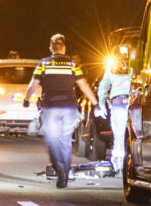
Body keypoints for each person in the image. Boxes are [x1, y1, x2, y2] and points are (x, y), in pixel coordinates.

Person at [22, 33, 97, 188]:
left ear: (51, 48)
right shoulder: (72, 65)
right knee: (66, 140)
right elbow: (84, 86)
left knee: (53, 140)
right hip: (69, 107)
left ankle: (60, 168)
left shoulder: (44, 64)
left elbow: (32, 85)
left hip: (50, 107)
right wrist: (95, 103)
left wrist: (26, 99)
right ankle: (66, 169)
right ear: (64, 49)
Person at [97, 45, 132, 173]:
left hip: (118, 103)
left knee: (119, 135)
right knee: (133, 136)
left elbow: (102, 87)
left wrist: (101, 105)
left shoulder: (111, 69)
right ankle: (129, 163)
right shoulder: (135, 67)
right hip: (132, 103)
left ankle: (118, 164)